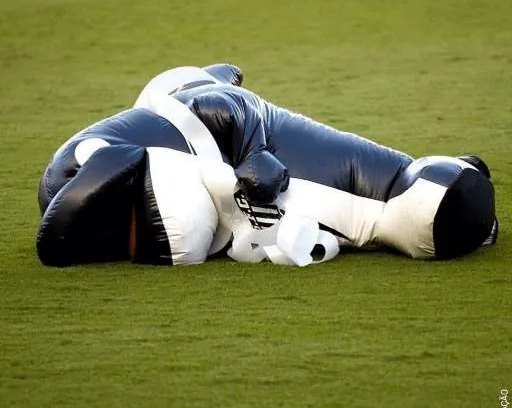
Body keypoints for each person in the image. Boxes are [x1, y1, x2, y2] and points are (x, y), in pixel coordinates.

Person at [36, 63, 497, 267]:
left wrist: (254, 151)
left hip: (400, 191)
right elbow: (219, 89)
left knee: (385, 193)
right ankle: (450, 181)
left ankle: (447, 182)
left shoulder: (210, 112)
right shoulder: (105, 160)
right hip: (211, 147)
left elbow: (220, 100)